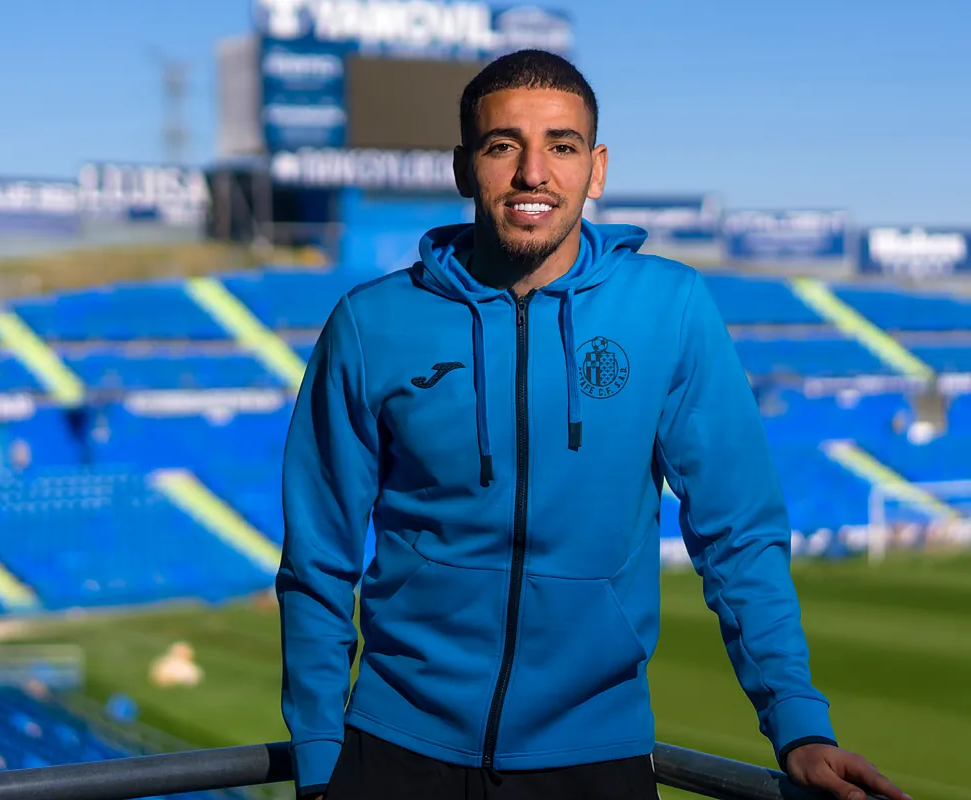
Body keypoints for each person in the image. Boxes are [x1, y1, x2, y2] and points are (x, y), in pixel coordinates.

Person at [276, 49, 910, 800]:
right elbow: (318, 556)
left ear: (596, 169)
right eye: (503, 145)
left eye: (562, 146)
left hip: (595, 756)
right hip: (395, 749)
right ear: (463, 168)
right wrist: (320, 755)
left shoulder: (670, 308)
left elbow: (738, 535)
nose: (533, 173)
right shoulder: (370, 322)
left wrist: (798, 724)